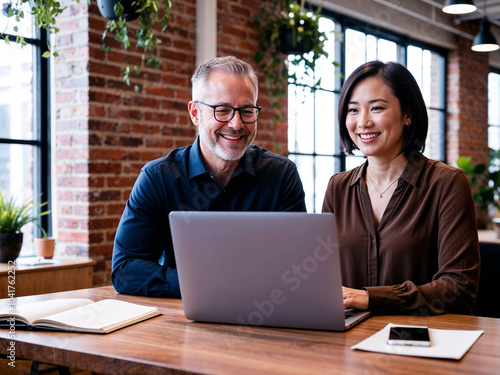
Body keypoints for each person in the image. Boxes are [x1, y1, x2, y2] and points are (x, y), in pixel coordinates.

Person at [112, 56, 307, 297]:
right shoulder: (158, 178)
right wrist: (204, 283)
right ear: (195, 113)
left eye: (246, 111)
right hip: (185, 318)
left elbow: (299, 267)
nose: (236, 124)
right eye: (222, 110)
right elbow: (125, 270)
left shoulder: (282, 175)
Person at [322, 60, 480, 315]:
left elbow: (459, 288)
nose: (362, 122)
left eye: (376, 108)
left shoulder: (447, 184)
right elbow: (323, 276)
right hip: (348, 338)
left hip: (421, 339)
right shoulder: (338, 188)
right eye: (353, 110)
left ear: (408, 114)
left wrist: (371, 298)